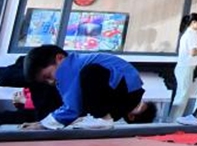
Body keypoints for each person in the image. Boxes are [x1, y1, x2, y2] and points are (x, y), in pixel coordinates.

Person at [21, 46, 157, 130]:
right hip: (124, 94)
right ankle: (101, 117)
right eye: (45, 81)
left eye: (48, 76)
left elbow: (72, 107)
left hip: (125, 91)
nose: (51, 82)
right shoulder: (76, 64)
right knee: (84, 85)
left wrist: (44, 124)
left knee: (90, 73)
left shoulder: (70, 66)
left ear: (60, 58)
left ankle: (102, 118)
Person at [0, 56, 61, 125]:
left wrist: (24, 101)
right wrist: (21, 103)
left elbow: (48, 103)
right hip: (34, 107)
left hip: (41, 109)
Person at [169, 13, 197, 120]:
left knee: (182, 94)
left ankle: (173, 118)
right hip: (186, 67)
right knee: (182, 95)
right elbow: (193, 52)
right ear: (193, 22)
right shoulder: (191, 34)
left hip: (185, 67)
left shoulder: (189, 34)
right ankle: (174, 119)